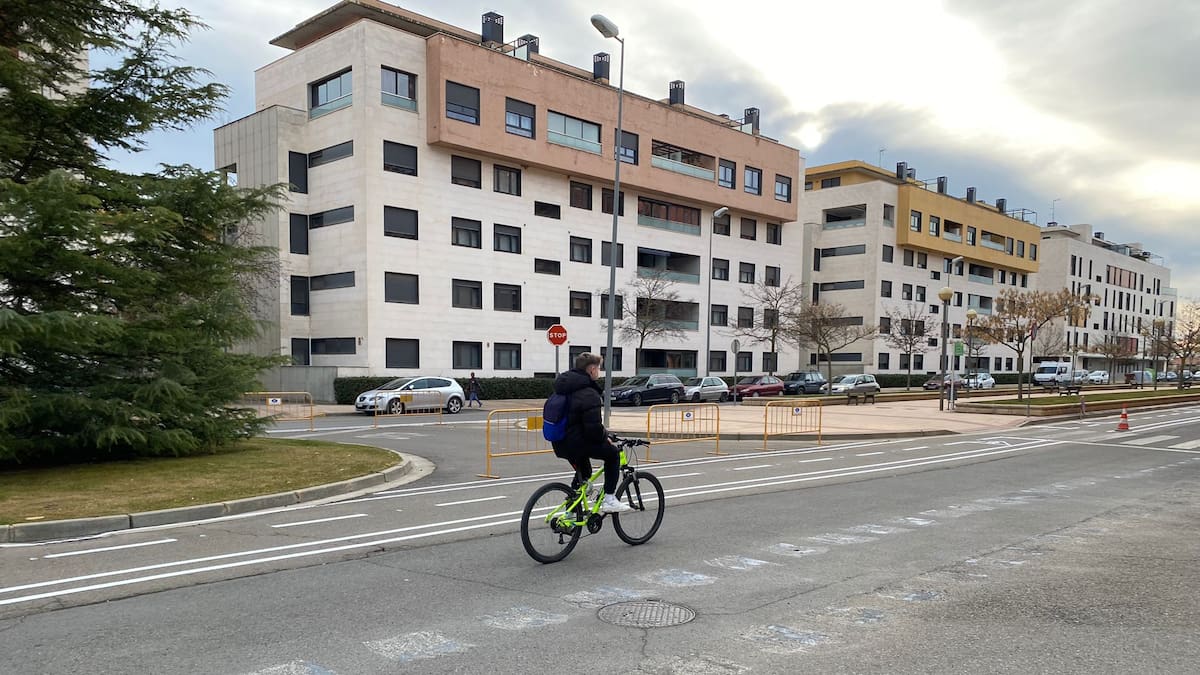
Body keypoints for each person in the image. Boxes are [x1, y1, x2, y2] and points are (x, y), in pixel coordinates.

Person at [550, 352, 630, 514]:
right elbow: (593, 428)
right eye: (598, 368)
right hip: (578, 443)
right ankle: (609, 499)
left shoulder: (564, 388)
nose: (599, 371)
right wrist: (605, 438)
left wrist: (602, 435)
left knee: (584, 473)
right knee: (613, 455)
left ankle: (572, 513)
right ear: (592, 369)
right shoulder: (588, 393)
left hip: (560, 443)